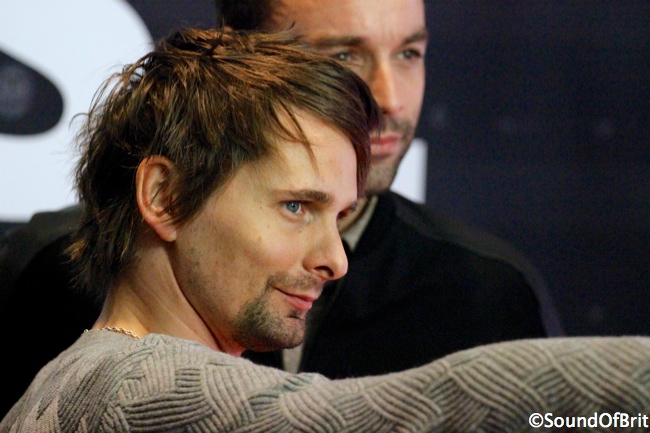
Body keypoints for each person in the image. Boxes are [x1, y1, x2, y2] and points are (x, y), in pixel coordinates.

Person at [3, 26, 650, 433]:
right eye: (296, 207)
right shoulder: (129, 390)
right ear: (164, 197)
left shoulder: (73, 381)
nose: (336, 261)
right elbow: (421, 407)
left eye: (338, 216)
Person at [218, 0, 564, 377]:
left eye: (408, 54)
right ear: (237, 56)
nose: (390, 100)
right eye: (345, 56)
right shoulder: (171, 265)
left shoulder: (486, 296)